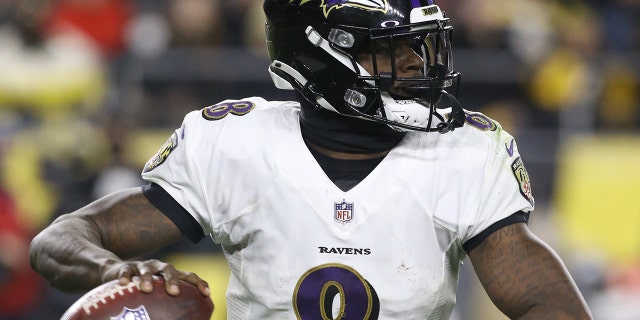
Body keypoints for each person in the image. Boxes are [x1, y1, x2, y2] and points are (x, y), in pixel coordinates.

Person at [30, 0, 593, 319]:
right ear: (318, 60)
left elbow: (549, 306)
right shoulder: (238, 144)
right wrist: (114, 272)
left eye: (415, 45)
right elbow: (58, 241)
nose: (415, 65)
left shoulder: (462, 153)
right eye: (385, 50)